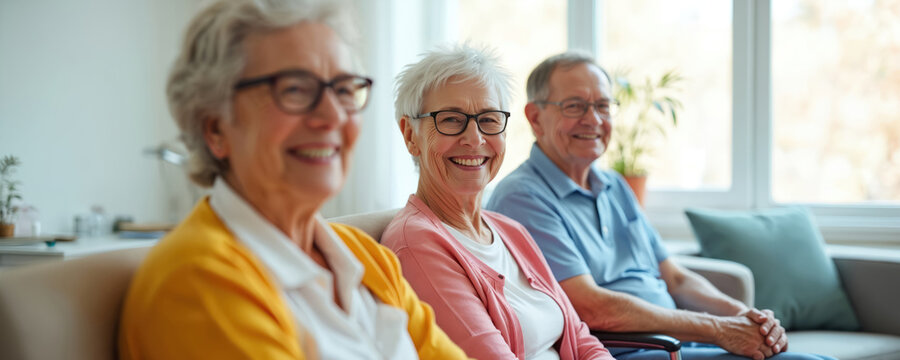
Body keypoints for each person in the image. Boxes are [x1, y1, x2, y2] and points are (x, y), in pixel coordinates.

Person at [118, 1, 469, 359]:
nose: (332, 115)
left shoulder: (366, 258)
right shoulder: (196, 280)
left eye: (345, 89)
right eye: (294, 89)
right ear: (215, 128)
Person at [486, 51, 834, 360]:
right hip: (635, 350)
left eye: (603, 106)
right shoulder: (523, 197)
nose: (593, 120)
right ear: (534, 118)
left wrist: (748, 317)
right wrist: (718, 328)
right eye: (575, 106)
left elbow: (677, 279)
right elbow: (591, 307)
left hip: (683, 343)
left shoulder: (616, 186)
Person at [381, 44, 613, 360]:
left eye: (489, 119)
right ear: (410, 135)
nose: (475, 138)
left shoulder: (510, 230)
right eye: (450, 119)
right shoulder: (418, 244)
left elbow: (582, 340)